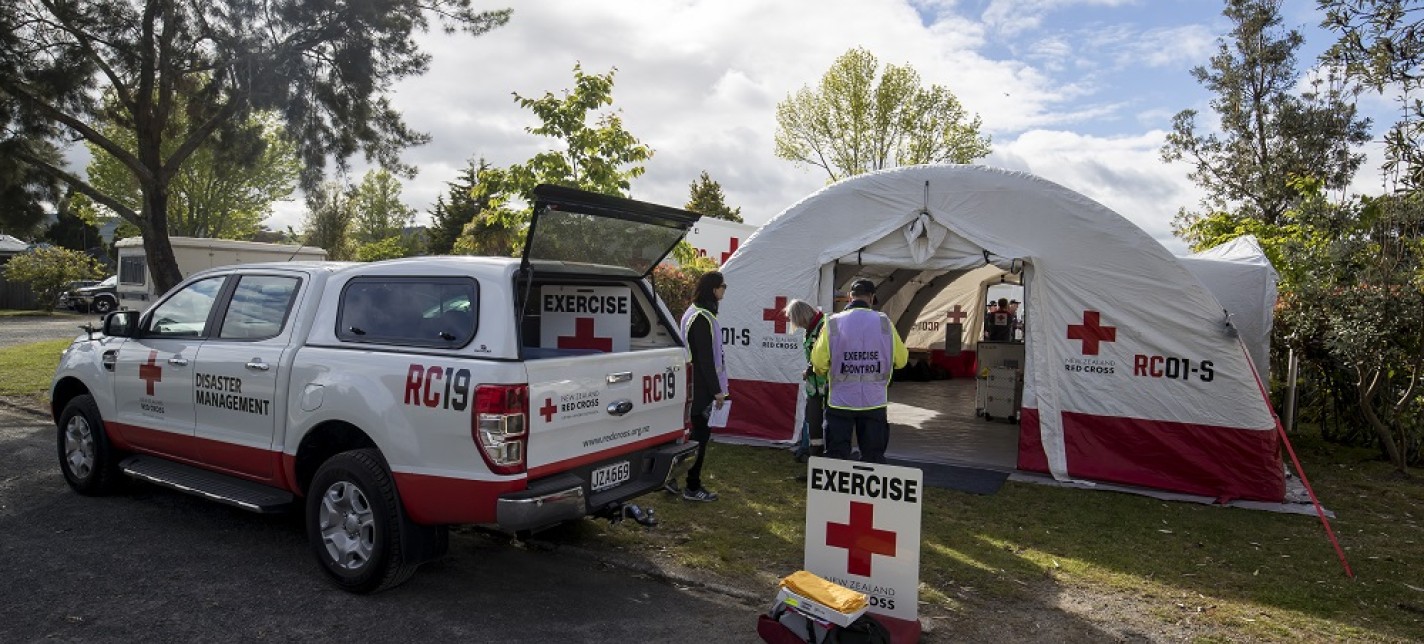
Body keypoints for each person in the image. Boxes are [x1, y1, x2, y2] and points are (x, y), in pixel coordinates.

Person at [811, 279, 908, 464]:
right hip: (874, 401)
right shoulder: (884, 322)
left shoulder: (832, 322)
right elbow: (902, 360)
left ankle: (835, 492)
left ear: (849, 297)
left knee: (836, 457)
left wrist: (828, 372)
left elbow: (818, 362)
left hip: (840, 400)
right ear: (871, 298)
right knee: (873, 459)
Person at [669, 271, 728, 502]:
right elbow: (705, 359)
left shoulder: (693, 312)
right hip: (702, 388)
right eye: (723, 286)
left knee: (688, 437)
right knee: (700, 438)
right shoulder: (702, 317)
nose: (724, 290)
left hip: (692, 384)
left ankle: (671, 478)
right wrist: (717, 391)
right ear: (713, 289)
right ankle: (692, 487)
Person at [784, 299, 827, 463]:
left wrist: (809, 369)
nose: (793, 324)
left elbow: (825, 354)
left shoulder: (823, 326)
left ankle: (821, 461)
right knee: (813, 423)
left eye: (792, 320)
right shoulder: (811, 328)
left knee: (823, 425)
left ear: (800, 316)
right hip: (814, 387)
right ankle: (814, 461)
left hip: (825, 387)